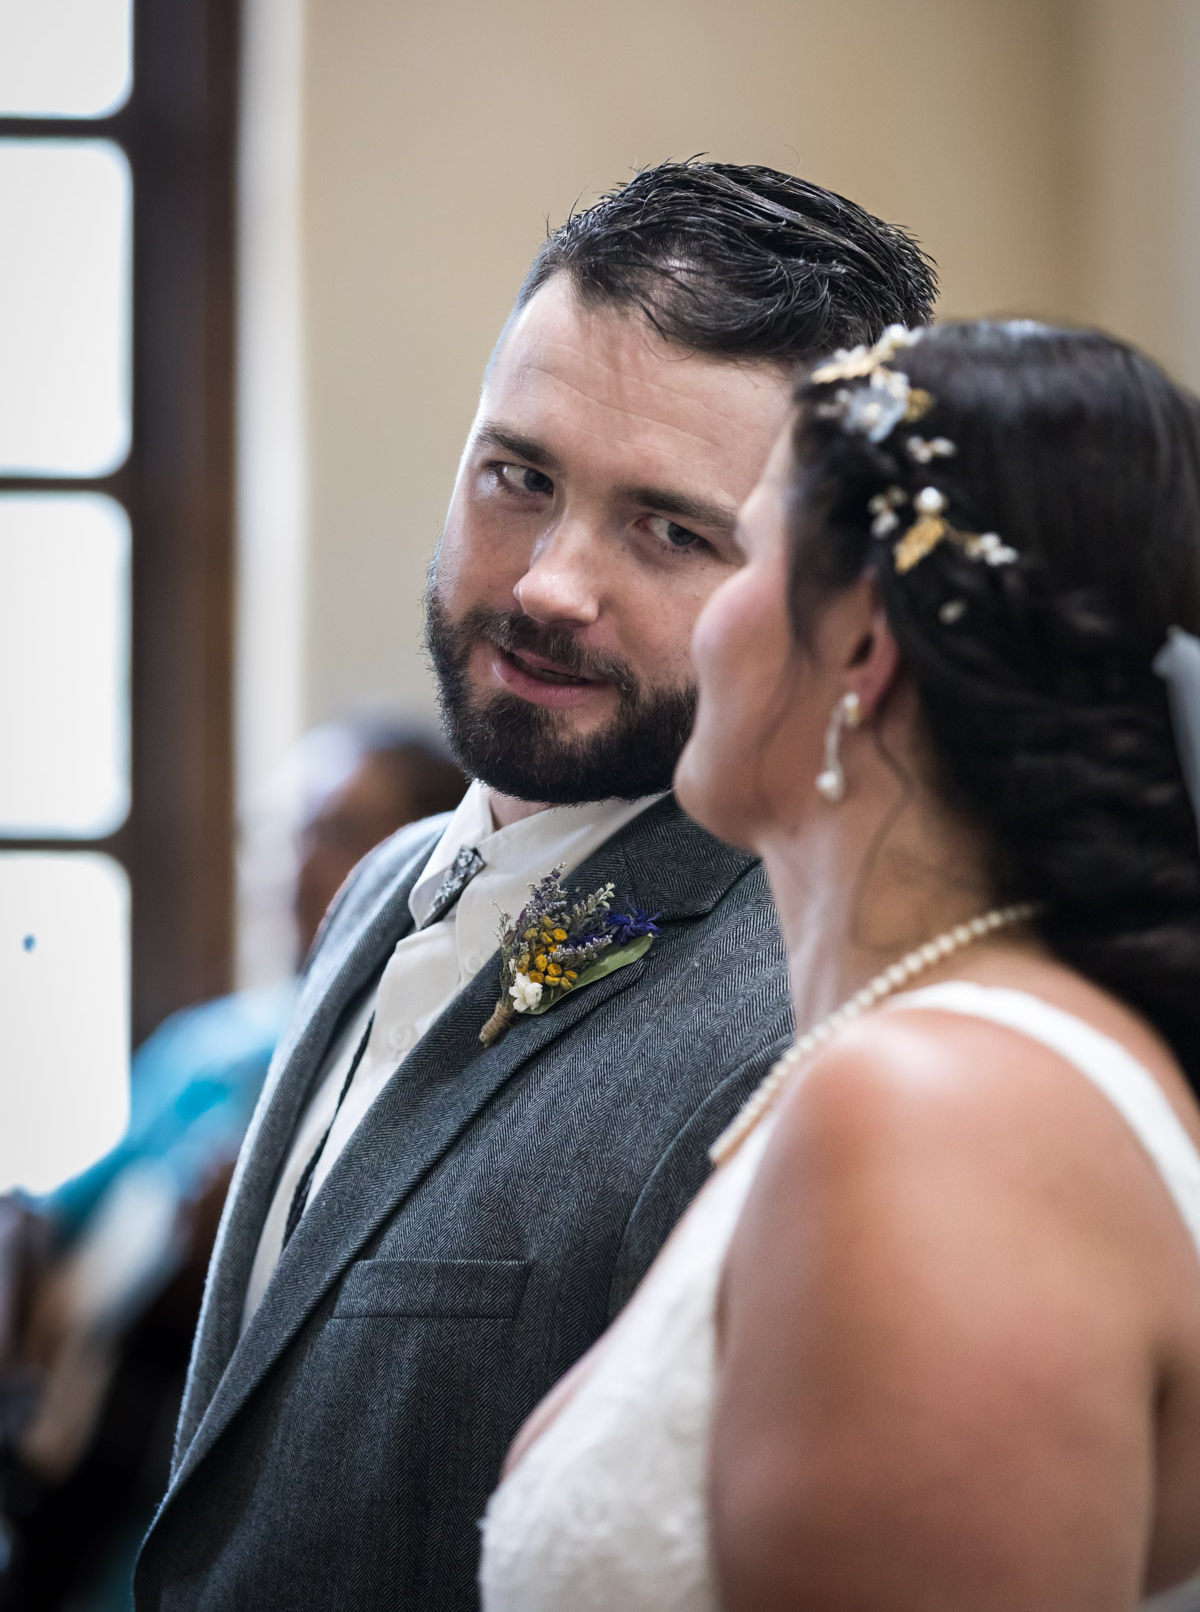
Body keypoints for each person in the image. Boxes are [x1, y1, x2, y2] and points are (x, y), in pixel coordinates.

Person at [133, 160, 938, 1612]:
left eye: (672, 531)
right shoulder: (383, 881)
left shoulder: (804, 1032)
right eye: (520, 477)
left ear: (831, 588)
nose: (554, 582)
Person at [479, 322, 1200, 1612]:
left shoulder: (940, 1116)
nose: (702, 635)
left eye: (737, 547)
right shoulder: (949, 1060)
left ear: (864, 649)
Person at [0, 719, 463, 1612]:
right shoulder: (209, 1048)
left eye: (336, 832)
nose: (293, 871)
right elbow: (57, 1231)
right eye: (284, 835)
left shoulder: (433, 1067)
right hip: (68, 1506)